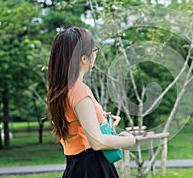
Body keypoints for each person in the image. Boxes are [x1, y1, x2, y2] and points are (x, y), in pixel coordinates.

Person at [47, 26, 135, 178]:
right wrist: (128, 140)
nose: (95, 54)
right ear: (84, 58)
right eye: (94, 50)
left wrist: (103, 121)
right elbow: (97, 142)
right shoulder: (79, 90)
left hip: (75, 167)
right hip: (93, 167)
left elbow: (76, 129)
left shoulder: (59, 91)